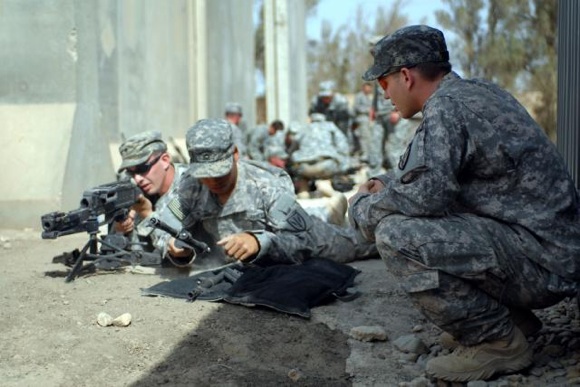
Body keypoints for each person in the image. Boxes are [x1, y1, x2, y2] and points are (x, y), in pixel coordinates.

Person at [348, 25, 580, 383]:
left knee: (396, 235)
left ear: (406, 76)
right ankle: (510, 318)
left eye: (383, 83)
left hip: (545, 265)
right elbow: (449, 180)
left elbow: (428, 197)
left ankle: (497, 341)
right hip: (551, 251)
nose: (384, 96)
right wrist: (388, 184)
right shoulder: (475, 92)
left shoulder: (445, 108)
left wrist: (363, 207)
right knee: (427, 217)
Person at [167, 118, 377, 267]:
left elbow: (302, 241)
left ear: (236, 154)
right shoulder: (190, 184)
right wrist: (174, 246)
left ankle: (332, 214)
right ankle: (326, 210)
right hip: (230, 262)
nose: (212, 180)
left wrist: (260, 243)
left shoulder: (266, 184)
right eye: (205, 174)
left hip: (300, 235)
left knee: (360, 243)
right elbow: (163, 224)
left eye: (219, 172)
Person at [113, 131, 190, 265]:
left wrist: (147, 214)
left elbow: (180, 247)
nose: (137, 179)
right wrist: (121, 229)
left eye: (143, 168)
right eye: (131, 172)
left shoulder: (191, 187)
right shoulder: (140, 187)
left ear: (165, 160)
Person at [309, 80, 353, 148]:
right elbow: (312, 115)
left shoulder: (341, 100)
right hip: (322, 124)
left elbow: (345, 118)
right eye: (324, 97)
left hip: (338, 123)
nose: (326, 99)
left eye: (328, 97)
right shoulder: (316, 101)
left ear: (332, 94)